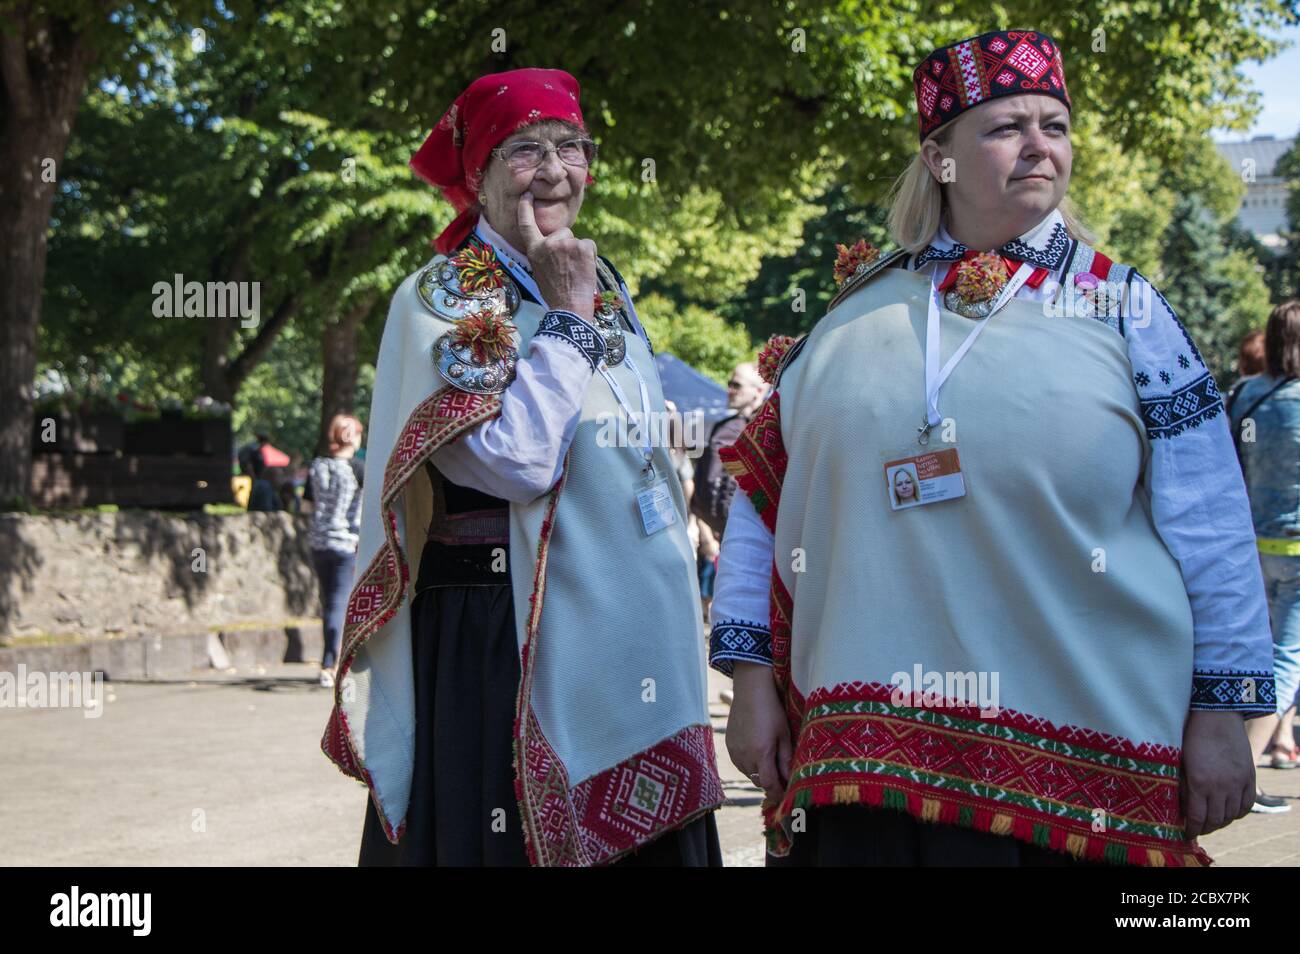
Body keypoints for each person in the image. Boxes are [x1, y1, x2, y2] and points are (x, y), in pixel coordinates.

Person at [710, 29, 1274, 866]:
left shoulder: (1124, 309)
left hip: (1086, 752)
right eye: (1007, 127)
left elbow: (1212, 521)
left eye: (1056, 124)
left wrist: (1223, 711)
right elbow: (763, 507)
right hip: (865, 760)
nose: (1041, 145)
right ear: (937, 157)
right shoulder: (849, 316)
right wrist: (752, 682)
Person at [320, 68, 723, 867]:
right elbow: (514, 463)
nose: (554, 170)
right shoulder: (442, 295)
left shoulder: (602, 284)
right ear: (477, 174)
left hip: (631, 624)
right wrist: (567, 323)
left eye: (571, 148)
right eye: (524, 150)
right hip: (501, 631)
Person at [1231, 300, 1300, 794]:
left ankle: (1276, 744)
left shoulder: (1245, 394)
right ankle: (1244, 767)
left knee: (1264, 652)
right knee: (1287, 658)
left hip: (1253, 546)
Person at [691, 362, 766, 622]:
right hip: (718, 530)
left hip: (747, 534)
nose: (730, 389)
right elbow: (702, 482)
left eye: (737, 385)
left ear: (757, 391)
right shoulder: (726, 425)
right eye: (730, 383)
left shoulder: (765, 429)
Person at [307, 414, 364, 688]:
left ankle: (329, 659)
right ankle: (331, 665)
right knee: (339, 604)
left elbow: (307, 506)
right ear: (354, 436)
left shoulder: (317, 467)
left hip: (319, 543)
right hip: (346, 544)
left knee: (328, 602)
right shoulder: (358, 469)